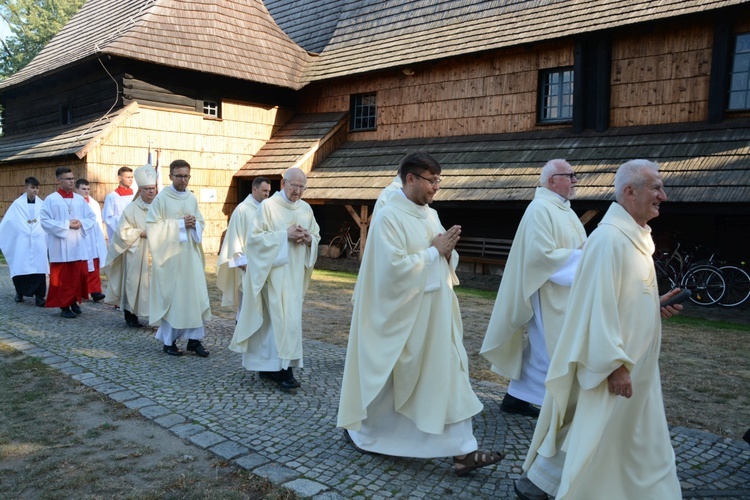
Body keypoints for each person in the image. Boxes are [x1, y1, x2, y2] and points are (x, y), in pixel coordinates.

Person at [516, 160, 684, 500]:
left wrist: (654, 304)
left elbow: (621, 297)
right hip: (617, 366)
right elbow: (596, 308)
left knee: (600, 427)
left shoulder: (632, 236)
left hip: (634, 365)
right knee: (600, 427)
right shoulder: (610, 239)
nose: (662, 196)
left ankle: (540, 484)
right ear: (629, 192)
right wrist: (614, 365)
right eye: (655, 188)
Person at [337, 152, 503, 476]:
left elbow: (440, 257)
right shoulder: (388, 217)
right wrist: (434, 251)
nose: (436, 187)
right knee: (393, 384)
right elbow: (390, 271)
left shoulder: (430, 215)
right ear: (410, 179)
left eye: (439, 181)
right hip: (405, 318)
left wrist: (447, 252)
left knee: (450, 376)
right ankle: (366, 434)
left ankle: (463, 450)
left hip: (438, 315)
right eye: (431, 180)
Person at [481, 159, 586, 418]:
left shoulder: (565, 209)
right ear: (552, 180)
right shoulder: (540, 209)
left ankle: (518, 397)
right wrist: (584, 259)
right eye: (570, 176)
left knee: (544, 345)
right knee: (553, 345)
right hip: (545, 288)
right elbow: (541, 256)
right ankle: (560, 401)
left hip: (564, 290)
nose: (575, 181)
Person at [229, 168, 320, 391]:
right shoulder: (268, 207)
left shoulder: (306, 209)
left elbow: (316, 235)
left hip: (294, 276)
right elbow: (255, 240)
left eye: (302, 187)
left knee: (288, 322)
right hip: (272, 275)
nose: (298, 191)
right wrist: (284, 236)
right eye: (294, 186)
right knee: (275, 322)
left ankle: (275, 367)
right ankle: (279, 370)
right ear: (283, 183)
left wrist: (309, 239)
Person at [146, 159, 211, 357]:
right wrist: (180, 224)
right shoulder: (161, 199)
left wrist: (194, 224)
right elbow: (152, 226)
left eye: (186, 176)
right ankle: (169, 341)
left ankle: (194, 340)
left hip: (190, 257)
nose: (183, 180)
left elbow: (200, 221)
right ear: (170, 176)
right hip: (170, 260)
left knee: (194, 298)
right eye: (179, 176)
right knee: (174, 300)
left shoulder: (191, 198)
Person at [104, 164, 158, 328]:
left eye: (153, 188)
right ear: (140, 190)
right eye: (147, 188)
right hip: (136, 251)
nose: (151, 191)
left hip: (157, 252)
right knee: (134, 284)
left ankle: (156, 316)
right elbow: (122, 231)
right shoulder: (131, 208)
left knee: (156, 285)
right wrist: (141, 233)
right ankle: (131, 314)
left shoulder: (161, 207)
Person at [40, 167, 98, 318]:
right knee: (63, 278)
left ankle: (74, 302)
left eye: (72, 178)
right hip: (61, 246)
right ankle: (64, 306)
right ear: (59, 180)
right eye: (68, 179)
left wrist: (81, 223)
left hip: (78, 244)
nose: (72, 181)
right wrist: (67, 224)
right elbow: (45, 221)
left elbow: (91, 217)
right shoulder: (51, 199)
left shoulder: (79, 199)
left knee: (78, 276)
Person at [216, 176, 271, 318]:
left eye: (269, 191)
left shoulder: (268, 210)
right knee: (246, 306)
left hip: (264, 265)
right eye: (264, 190)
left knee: (263, 307)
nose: (267, 194)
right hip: (248, 266)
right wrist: (242, 263)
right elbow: (234, 238)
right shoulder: (242, 210)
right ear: (254, 189)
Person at [0, 176, 48, 306]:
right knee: (20, 266)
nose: (35, 190)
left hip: (38, 241)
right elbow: (9, 222)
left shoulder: (42, 205)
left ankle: (39, 296)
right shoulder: (17, 204)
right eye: (32, 188)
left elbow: (45, 221)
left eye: (37, 188)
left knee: (39, 268)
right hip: (21, 241)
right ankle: (19, 293)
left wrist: (37, 230)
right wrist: (23, 229)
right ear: (26, 188)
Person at [75, 179, 107, 303]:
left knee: (94, 264)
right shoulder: (73, 202)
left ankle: (95, 291)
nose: (86, 191)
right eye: (83, 189)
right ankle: (80, 291)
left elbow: (98, 221)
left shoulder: (94, 203)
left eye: (88, 189)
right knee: (81, 266)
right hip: (80, 237)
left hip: (93, 238)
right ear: (77, 189)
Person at [102, 166, 135, 241]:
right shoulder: (112, 197)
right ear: (119, 178)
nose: (130, 179)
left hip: (134, 233)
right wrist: (124, 222)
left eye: (132, 177)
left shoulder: (135, 195)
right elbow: (108, 218)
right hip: (119, 235)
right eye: (128, 177)